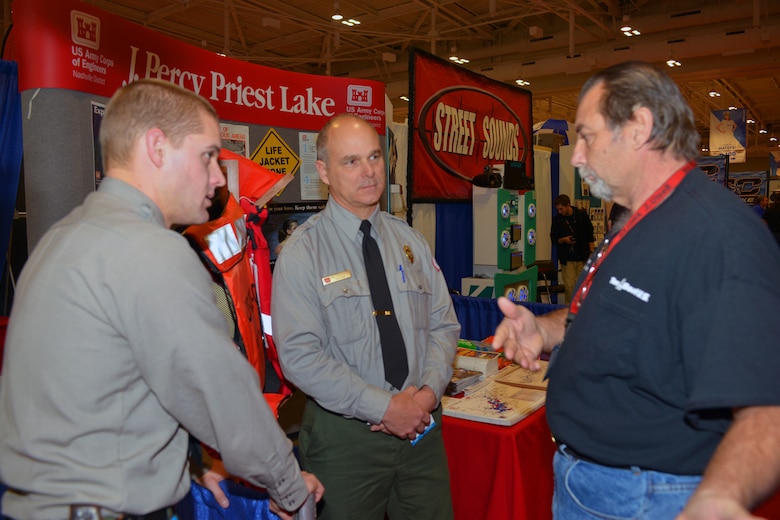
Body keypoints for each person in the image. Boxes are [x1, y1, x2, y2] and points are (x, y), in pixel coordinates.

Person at [0, 79, 323, 520]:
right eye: (208, 156)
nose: (217, 177)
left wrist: (189, 463)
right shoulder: (151, 250)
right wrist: (290, 488)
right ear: (156, 147)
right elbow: (224, 401)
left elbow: (117, 390)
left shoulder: (62, 239)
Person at [492, 61, 780, 520]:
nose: (576, 156)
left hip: (647, 496)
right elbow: (617, 315)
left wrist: (720, 496)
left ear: (639, 127)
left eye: (586, 136)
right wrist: (544, 331)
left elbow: (767, 405)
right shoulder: (637, 217)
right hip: (594, 484)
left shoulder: (718, 237)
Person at [272, 113, 460, 520]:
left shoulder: (409, 239)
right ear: (323, 170)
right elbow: (300, 356)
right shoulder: (302, 253)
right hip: (347, 442)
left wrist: (426, 394)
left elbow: (444, 325)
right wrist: (384, 408)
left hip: (421, 431)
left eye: (374, 157)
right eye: (350, 161)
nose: (368, 171)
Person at [549, 193, 595, 302]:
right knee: (570, 286)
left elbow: (589, 234)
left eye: (561, 209)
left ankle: (581, 309)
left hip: (582, 255)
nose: (560, 212)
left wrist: (591, 251)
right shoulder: (557, 220)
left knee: (582, 285)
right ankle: (569, 309)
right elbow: (554, 239)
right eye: (558, 209)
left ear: (568, 205)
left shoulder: (581, 216)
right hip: (567, 257)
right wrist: (564, 239)